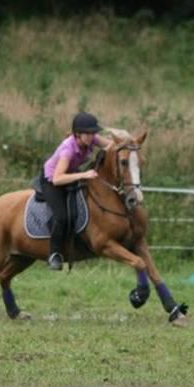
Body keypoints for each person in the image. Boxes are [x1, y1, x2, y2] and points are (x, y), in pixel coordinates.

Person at [41, 111, 113, 270]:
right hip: (52, 181)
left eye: (92, 132)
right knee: (62, 216)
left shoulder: (92, 139)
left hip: (71, 174)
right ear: (77, 134)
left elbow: (112, 146)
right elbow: (57, 179)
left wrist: (125, 140)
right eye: (87, 133)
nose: (90, 136)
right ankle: (54, 254)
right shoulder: (68, 149)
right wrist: (84, 174)